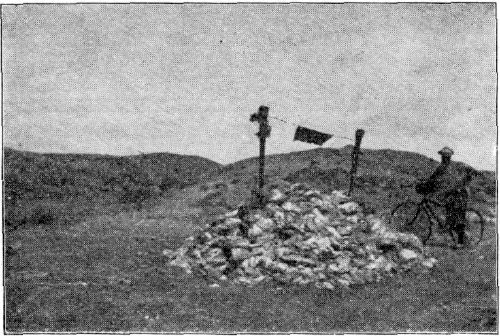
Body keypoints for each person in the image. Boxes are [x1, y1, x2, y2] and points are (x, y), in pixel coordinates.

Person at [416, 147, 476, 248]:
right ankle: (453, 233)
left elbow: (471, 172)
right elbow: (432, 179)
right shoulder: (441, 167)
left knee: (459, 215)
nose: (444, 158)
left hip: (460, 193)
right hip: (449, 194)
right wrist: (423, 184)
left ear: (450, 156)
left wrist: (464, 181)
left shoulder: (456, 166)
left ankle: (461, 242)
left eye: (446, 156)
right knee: (450, 214)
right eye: (443, 156)